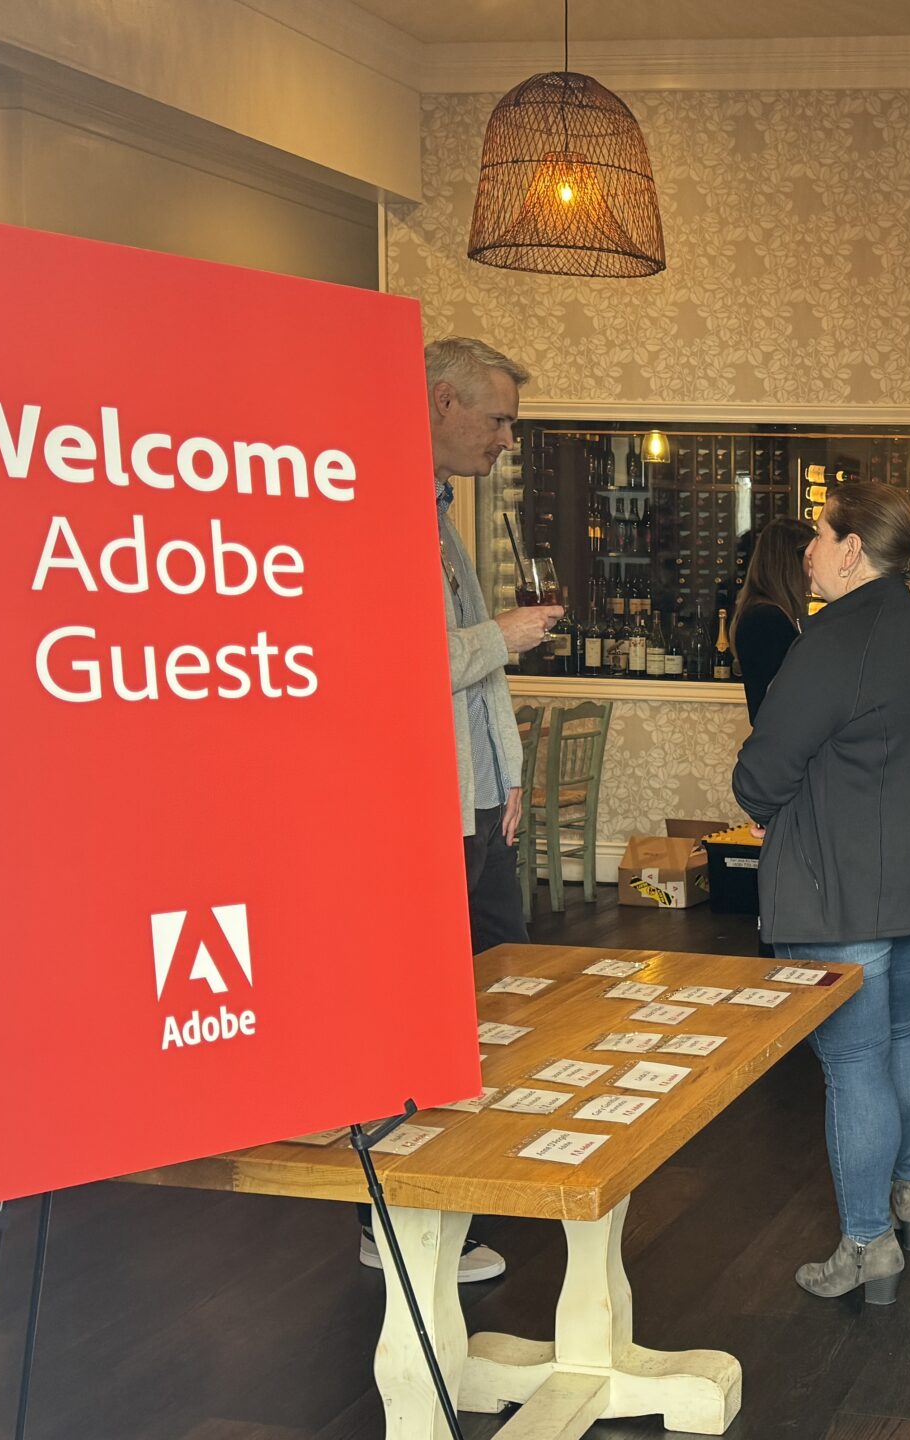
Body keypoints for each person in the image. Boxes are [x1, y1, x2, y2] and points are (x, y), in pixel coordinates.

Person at [732, 482, 910, 1306]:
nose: (808, 550)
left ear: (853, 550)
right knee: (903, 1030)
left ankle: (868, 1246)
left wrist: (766, 800)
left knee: (855, 1060)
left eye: (820, 535)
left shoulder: (833, 639)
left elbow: (761, 776)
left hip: (843, 890)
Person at [370, 336, 560, 1286]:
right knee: (422, 1010)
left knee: (499, 995)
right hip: (421, 808)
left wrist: (508, 774)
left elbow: (472, 686)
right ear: (441, 402)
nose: (506, 440)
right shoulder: (374, 507)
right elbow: (392, 661)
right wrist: (503, 635)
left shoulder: (443, 512)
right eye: (498, 420)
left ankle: (471, 1183)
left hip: (479, 803)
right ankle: (396, 1219)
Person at [734, 517, 816, 722]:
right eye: (811, 557)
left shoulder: (762, 612)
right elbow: (782, 699)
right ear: (792, 561)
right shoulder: (767, 618)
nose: (815, 565)